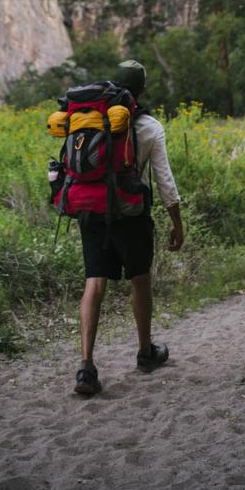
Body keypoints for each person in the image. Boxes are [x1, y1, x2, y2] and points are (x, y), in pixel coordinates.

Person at [74, 59, 184, 396]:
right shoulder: (150, 126)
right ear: (142, 89)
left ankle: (86, 367)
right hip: (131, 213)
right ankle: (145, 352)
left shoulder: (90, 119)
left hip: (92, 210)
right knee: (139, 278)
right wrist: (176, 223)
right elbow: (164, 181)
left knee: (95, 281)